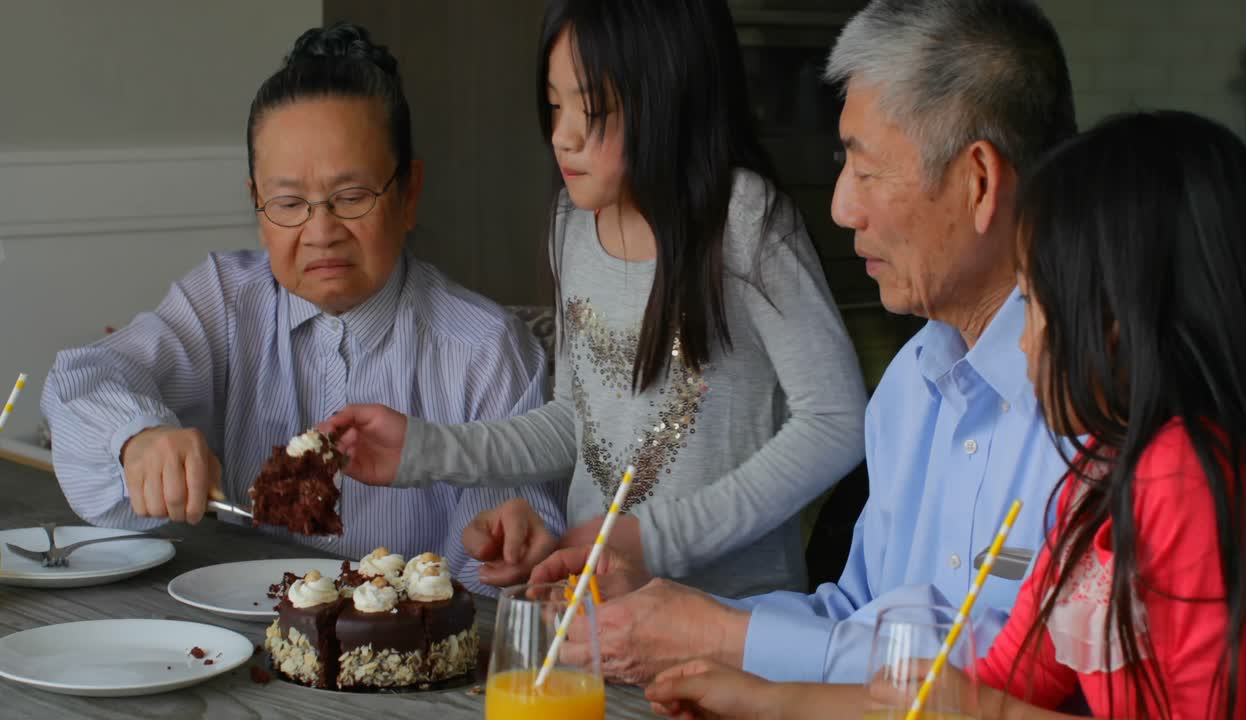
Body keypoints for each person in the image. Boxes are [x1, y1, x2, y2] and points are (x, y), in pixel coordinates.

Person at [646, 110, 1246, 720]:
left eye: (1035, 300)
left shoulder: (1185, 477)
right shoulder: (1099, 481)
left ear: (1118, 324)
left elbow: (985, 702)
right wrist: (766, 702)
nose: (1024, 340)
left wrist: (987, 710)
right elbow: (993, 680)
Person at [527, 0, 1078, 685]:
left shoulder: (1098, 406)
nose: (842, 207)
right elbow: (854, 614)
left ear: (979, 181)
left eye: (867, 172)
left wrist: (722, 634)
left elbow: (1027, 668)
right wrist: (687, 629)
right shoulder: (911, 386)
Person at [319, 0, 868, 599]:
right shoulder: (571, 224)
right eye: (555, 106)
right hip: (592, 616)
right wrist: (424, 448)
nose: (563, 135)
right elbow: (578, 422)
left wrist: (652, 538)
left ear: (672, 93)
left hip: (727, 625)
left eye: (594, 108)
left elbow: (837, 423)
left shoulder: (743, 219)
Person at [40, 23, 567, 594]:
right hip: (228, 629)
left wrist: (505, 547)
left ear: (409, 193)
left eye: (351, 197)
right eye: (288, 202)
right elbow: (79, 380)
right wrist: (134, 438)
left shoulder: (485, 349)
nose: (320, 232)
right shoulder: (221, 300)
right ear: (256, 204)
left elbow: (508, 545)